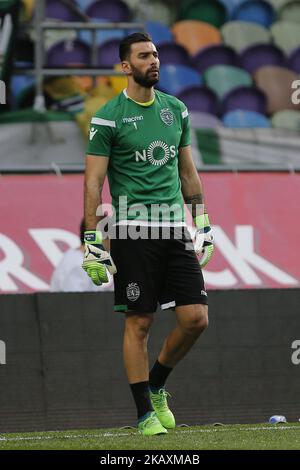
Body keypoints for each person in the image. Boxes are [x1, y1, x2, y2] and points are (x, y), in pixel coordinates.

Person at [82, 33, 214, 436]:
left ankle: (157, 385)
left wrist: (203, 222)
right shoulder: (108, 116)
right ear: (126, 66)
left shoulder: (177, 109)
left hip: (174, 228)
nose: (153, 60)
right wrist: (90, 239)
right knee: (139, 323)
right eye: (143, 56)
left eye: (155, 54)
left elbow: (187, 172)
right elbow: (93, 183)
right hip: (131, 230)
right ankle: (143, 413)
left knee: (196, 319)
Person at [50, 219, 113, 292]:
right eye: (110, 238)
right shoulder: (78, 265)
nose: (110, 245)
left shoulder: (79, 259)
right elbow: (75, 301)